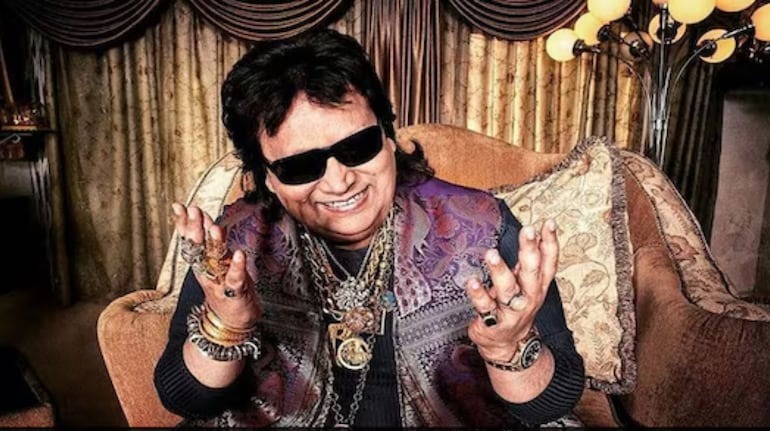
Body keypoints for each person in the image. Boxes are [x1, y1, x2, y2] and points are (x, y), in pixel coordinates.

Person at [154, 28, 585, 428]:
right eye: (301, 166)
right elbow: (188, 401)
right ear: (268, 177)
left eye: (357, 147)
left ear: (388, 137)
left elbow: (551, 403)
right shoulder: (233, 244)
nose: (339, 181)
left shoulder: (483, 224)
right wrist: (227, 325)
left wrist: (507, 349)